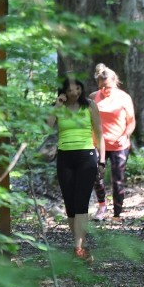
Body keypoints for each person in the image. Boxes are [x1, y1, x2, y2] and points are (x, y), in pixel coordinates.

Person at [47, 77, 104, 261]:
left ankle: (78, 247)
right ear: (64, 91)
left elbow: (99, 133)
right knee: (70, 204)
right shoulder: (60, 107)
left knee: (81, 202)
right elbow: (46, 128)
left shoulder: (90, 105)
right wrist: (56, 105)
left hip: (86, 156)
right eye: (71, 90)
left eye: (78, 88)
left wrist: (102, 160)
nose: (75, 93)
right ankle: (81, 243)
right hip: (65, 156)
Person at [91, 64, 135, 221]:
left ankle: (117, 213)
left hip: (119, 145)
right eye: (102, 87)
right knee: (96, 176)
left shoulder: (124, 98)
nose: (104, 90)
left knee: (117, 179)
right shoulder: (93, 97)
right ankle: (102, 206)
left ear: (115, 82)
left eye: (108, 87)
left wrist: (126, 135)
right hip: (98, 144)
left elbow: (131, 122)